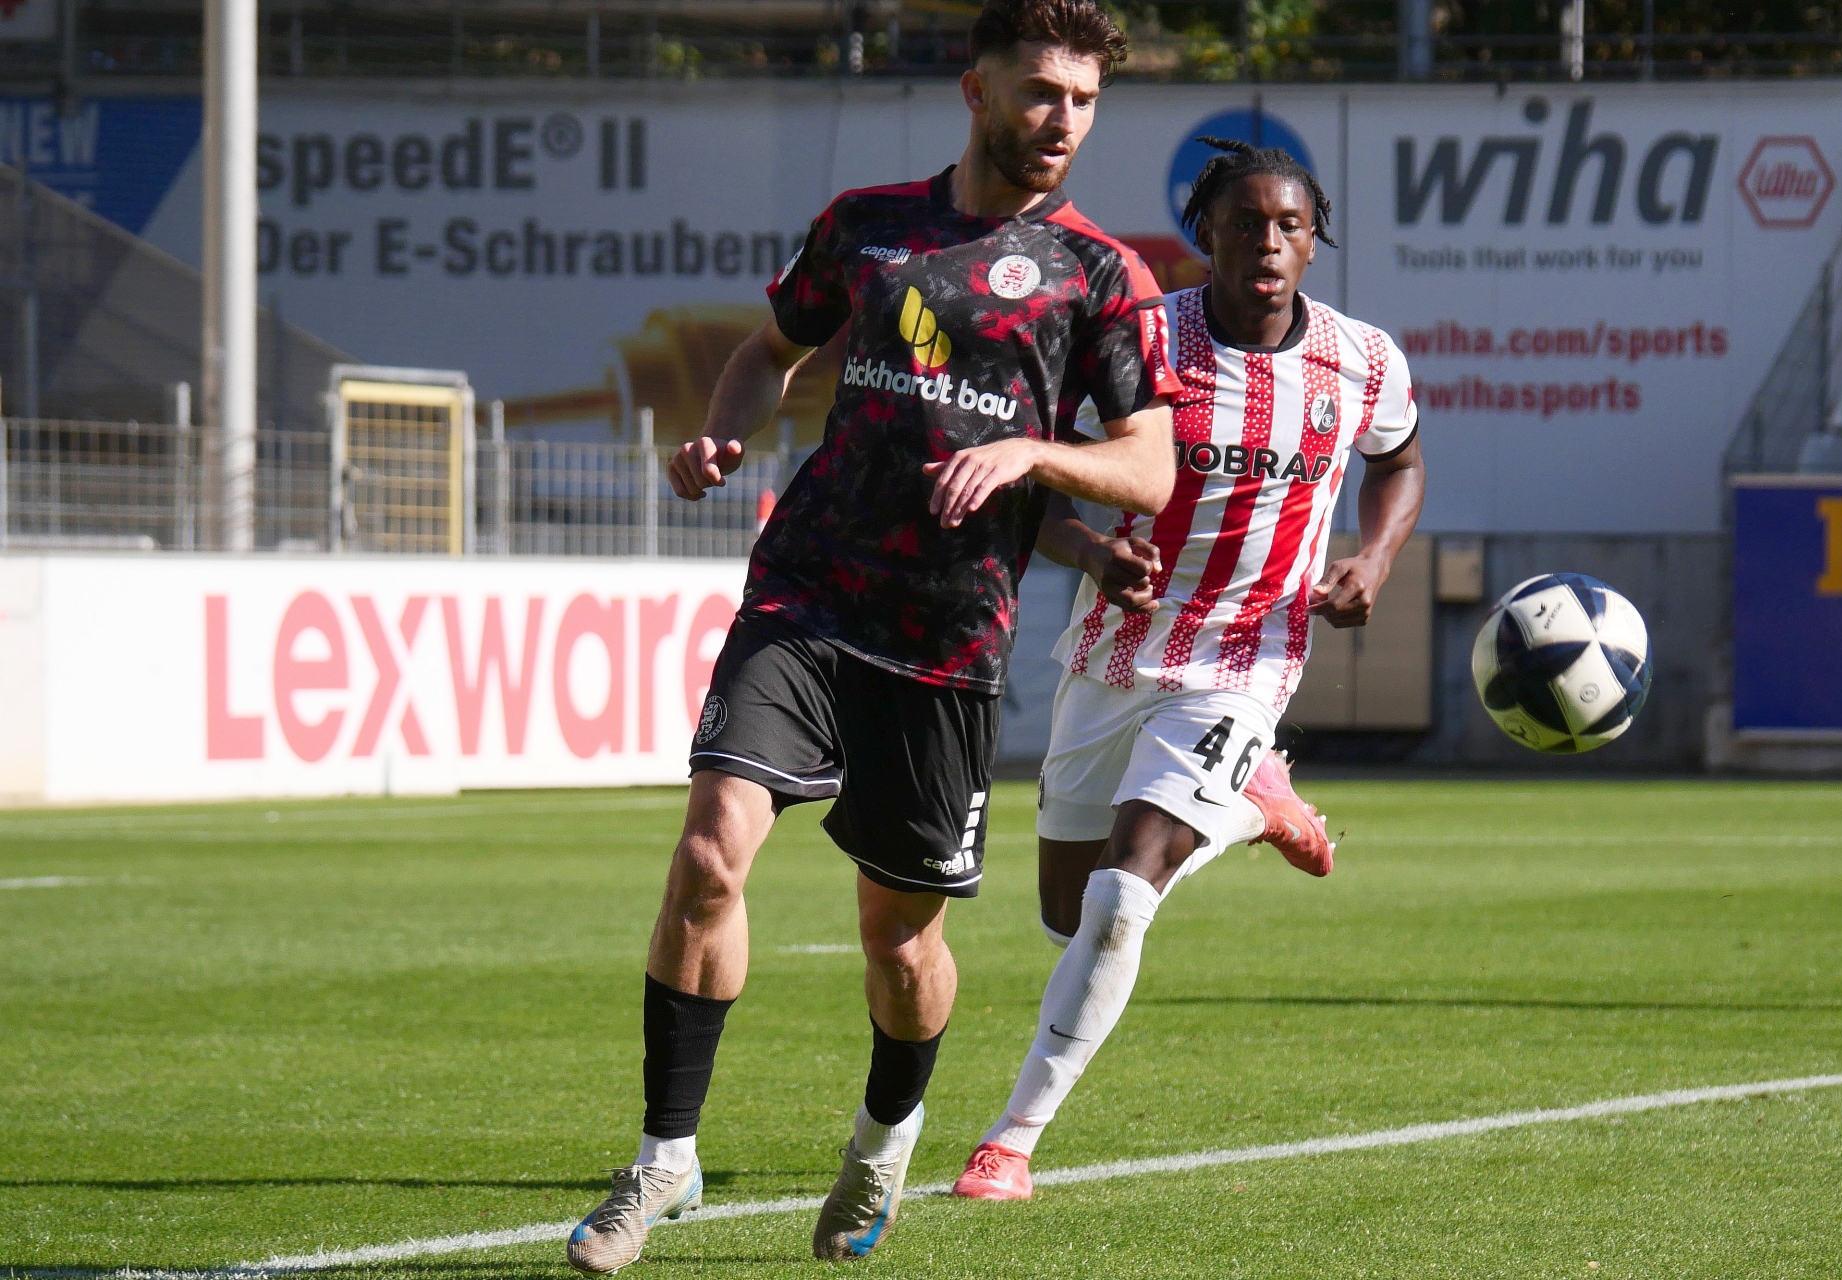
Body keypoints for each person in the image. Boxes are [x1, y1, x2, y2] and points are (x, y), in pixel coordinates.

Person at [564, 0, 1185, 1269]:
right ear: (976, 90)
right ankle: (664, 1157)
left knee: (900, 939)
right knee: (709, 852)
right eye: (1040, 91)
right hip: (808, 592)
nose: (1062, 119)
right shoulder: (867, 226)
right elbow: (768, 353)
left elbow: (1150, 467)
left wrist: (1031, 454)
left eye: (1083, 100)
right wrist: (723, 430)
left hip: (949, 639)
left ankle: (885, 1137)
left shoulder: (1101, 276)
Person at [951, 136, 1428, 1201]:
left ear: (1315, 241)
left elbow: (1398, 458)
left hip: (1245, 662)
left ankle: (1011, 1141)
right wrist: (1091, 552)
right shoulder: (1138, 340)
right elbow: (1040, 484)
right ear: (1204, 231)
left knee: (1125, 893)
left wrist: (1376, 558)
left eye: (1290, 224)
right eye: (1246, 222)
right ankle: (1253, 807)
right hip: (1113, 650)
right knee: (1069, 914)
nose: (1269, 242)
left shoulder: (1362, 361)